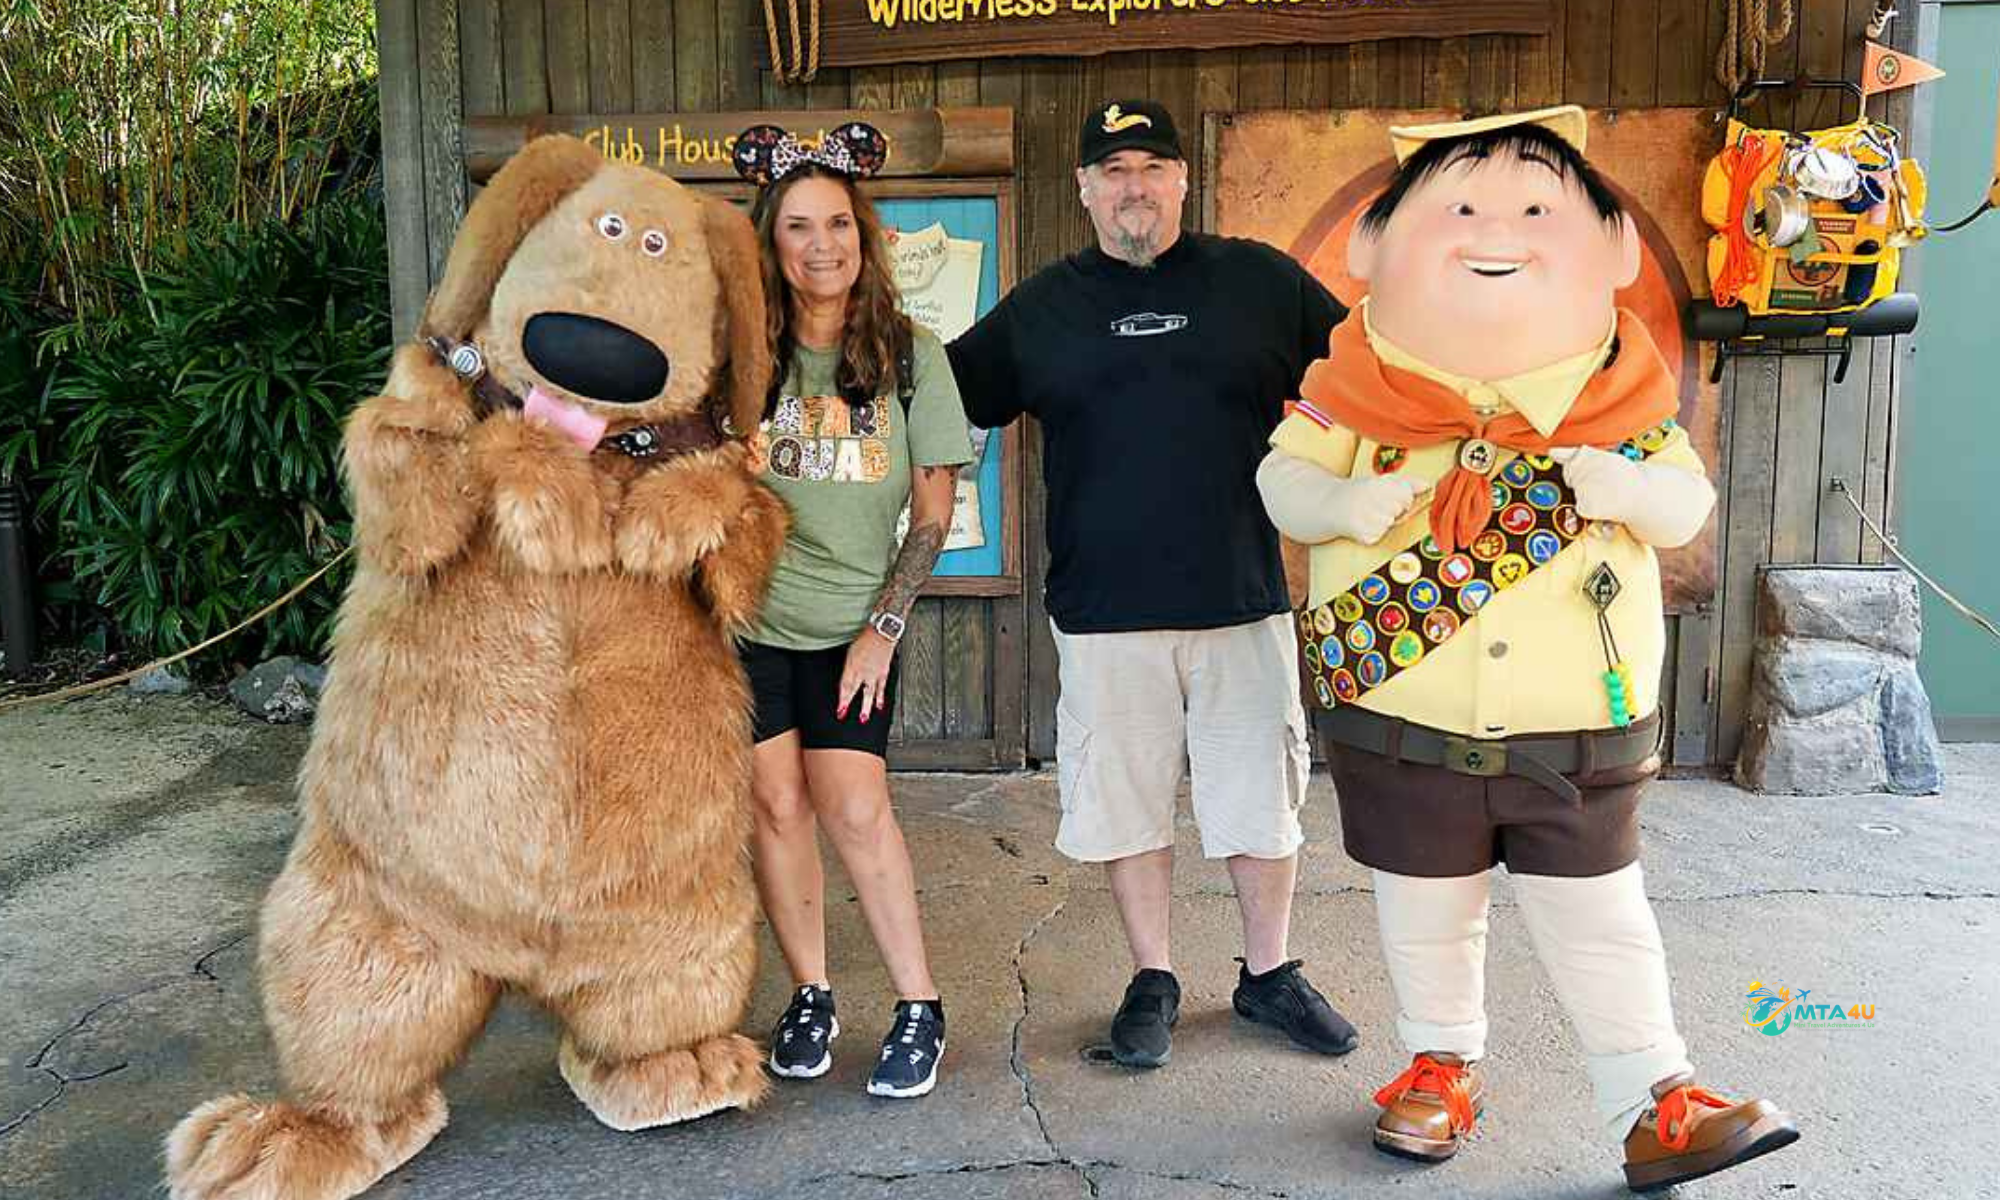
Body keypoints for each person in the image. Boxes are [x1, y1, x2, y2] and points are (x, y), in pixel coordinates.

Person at [1257, 107, 1796, 1190]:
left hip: (1572, 722)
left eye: (1534, 208)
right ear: (1377, 248)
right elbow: (1280, 476)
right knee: (1423, 904)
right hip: (1401, 708)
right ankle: (1440, 1063)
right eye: (1457, 206)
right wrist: (1347, 501)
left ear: (1605, 249)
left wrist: (1627, 486)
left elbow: (1682, 503)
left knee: (1596, 911)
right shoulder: (1357, 385)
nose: (1489, 231)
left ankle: (1655, 1095)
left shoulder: (1616, 397)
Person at [946, 98, 1360, 1070]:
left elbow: (1366, 380)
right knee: (1124, 804)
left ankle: (1267, 976)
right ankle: (1152, 979)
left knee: (1259, 799)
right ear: (1084, 189)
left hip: (1240, 598)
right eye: (1113, 170)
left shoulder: (1259, 284)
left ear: (1181, 180)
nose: (1133, 186)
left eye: (1151, 167)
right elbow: (943, 402)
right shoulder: (1040, 308)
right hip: (1102, 611)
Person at [730, 122, 974, 1099]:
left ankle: (918, 1003)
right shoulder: (739, 360)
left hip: (849, 627)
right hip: (744, 626)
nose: (820, 245)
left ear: (862, 236)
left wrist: (882, 628)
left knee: (853, 807)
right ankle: (812, 993)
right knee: (774, 804)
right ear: (771, 242)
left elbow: (932, 509)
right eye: (797, 227)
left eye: (836, 223)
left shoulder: (911, 357)